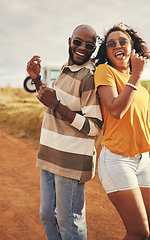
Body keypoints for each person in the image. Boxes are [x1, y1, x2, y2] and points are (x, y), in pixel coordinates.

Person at [26, 24, 102, 240]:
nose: (82, 48)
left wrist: (58, 106)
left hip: (70, 162)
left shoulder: (88, 77)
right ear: (70, 41)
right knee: (47, 216)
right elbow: (52, 100)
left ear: (93, 49)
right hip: (50, 156)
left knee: (69, 224)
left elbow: (94, 127)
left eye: (89, 45)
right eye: (78, 42)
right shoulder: (65, 69)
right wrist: (36, 79)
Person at [94, 23, 150, 240]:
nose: (117, 45)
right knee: (139, 232)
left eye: (123, 41)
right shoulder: (105, 71)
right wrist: (137, 74)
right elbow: (115, 110)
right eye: (111, 43)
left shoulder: (136, 83)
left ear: (132, 47)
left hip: (143, 159)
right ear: (107, 52)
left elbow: (133, 114)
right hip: (117, 161)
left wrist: (142, 132)